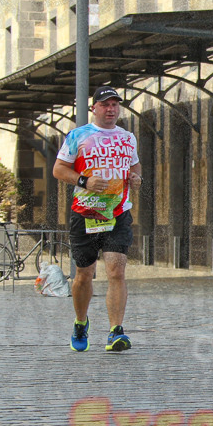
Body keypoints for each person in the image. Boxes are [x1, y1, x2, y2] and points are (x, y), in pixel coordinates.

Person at [53, 86, 142, 353]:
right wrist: (85, 181)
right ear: (94, 108)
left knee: (116, 270)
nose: (111, 109)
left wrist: (137, 177)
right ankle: (81, 322)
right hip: (86, 213)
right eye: (105, 104)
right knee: (84, 274)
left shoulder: (128, 137)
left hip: (118, 212)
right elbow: (59, 169)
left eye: (115, 105)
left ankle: (116, 331)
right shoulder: (78, 136)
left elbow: (134, 165)